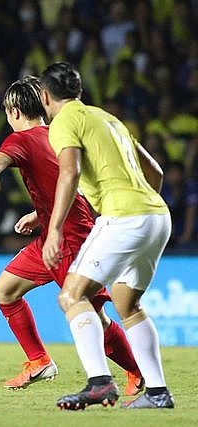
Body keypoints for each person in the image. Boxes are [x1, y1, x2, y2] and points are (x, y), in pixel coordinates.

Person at [0, 77, 144, 395]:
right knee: (4, 290)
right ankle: (39, 360)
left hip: (69, 239)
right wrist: (39, 213)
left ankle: (137, 371)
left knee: (91, 314)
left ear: (13, 110)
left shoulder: (21, 140)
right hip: (53, 233)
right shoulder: (59, 134)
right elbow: (74, 179)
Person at [39, 62, 174, 410]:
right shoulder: (108, 118)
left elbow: (70, 172)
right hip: (156, 214)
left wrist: (53, 229)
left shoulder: (63, 122)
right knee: (127, 303)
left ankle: (99, 383)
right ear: (80, 92)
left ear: (45, 96)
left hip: (125, 216)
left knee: (71, 296)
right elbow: (155, 171)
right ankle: (158, 393)